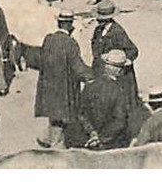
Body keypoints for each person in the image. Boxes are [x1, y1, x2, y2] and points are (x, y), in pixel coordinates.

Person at [35, 12, 89, 147]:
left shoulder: (48, 39)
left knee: (54, 117)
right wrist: (92, 76)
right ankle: (55, 145)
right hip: (64, 88)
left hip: (49, 87)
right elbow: (77, 67)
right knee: (63, 119)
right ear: (70, 25)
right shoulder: (70, 43)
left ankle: (48, 138)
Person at [74, 52, 140, 150]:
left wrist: (92, 133)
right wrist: (101, 139)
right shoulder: (119, 91)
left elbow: (81, 114)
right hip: (112, 146)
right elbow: (120, 121)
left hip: (89, 143)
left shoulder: (89, 86)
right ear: (119, 70)